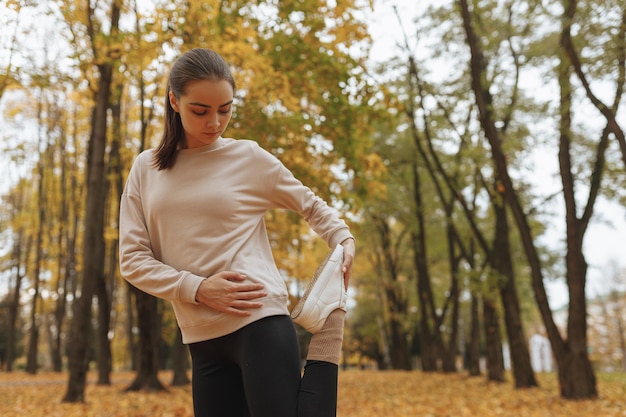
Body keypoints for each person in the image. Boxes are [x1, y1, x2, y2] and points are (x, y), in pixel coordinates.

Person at [119, 48, 355, 417]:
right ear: (174, 102)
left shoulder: (249, 158)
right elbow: (132, 261)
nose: (215, 122)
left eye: (225, 109)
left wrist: (342, 238)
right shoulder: (146, 169)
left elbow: (309, 204)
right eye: (201, 110)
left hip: (258, 318)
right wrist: (197, 288)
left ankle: (329, 328)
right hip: (200, 337)